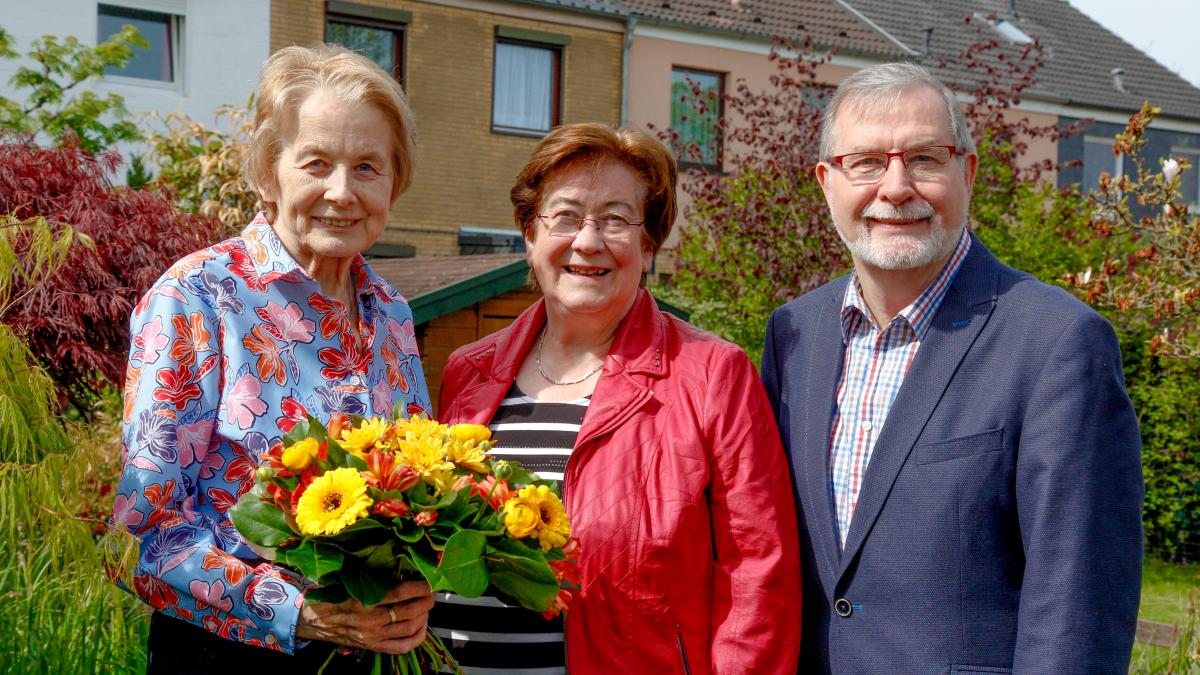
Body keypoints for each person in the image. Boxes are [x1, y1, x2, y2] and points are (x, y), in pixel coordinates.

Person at [761, 61, 1144, 673]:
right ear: (826, 180)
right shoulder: (794, 334)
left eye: (924, 158)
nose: (894, 187)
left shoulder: (1057, 341)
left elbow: (1079, 599)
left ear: (965, 172)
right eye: (865, 162)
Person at [433, 122, 802, 674]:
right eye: (564, 216)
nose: (588, 241)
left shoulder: (712, 375)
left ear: (648, 245)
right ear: (529, 235)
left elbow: (759, 579)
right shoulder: (468, 372)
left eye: (615, 219)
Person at [112, 44, 435, 672]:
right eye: (316, 162)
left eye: (368, 167)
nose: (341, 192)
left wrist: (414, 586)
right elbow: (143, 535)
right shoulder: (198, 298)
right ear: (268, 170)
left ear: (395, 183)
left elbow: (414, 488)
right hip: (229, 653)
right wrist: (300, 613)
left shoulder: (391, 312)